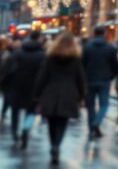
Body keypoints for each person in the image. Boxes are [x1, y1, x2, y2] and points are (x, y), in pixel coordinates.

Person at [34, 32, 87, 166]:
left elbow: (42, 76)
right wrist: (82, 96)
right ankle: (57, 145)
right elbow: (80, 79)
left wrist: (37, 93)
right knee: (63, 122)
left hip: (50, 92)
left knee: (51, 122)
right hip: (69, 94)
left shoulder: (50, 57)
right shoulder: (75, 59)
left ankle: (53, 145)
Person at [4, 29, 46, 149]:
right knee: (31, 111)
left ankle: (14, 131)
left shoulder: (18, 53)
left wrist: (6, 84)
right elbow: (43, 73)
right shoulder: (42, 55)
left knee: (15, 110)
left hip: (17, 86)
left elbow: (9, 70)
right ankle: (25, 130)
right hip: (34, 87)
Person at [82, 26, 118, 139]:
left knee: (90, 106)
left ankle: (91, 129)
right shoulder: (110, 47)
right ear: (104, 33)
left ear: (94, 33)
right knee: (104, 104)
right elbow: (116, 65)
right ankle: (96, 123)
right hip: (104, 80)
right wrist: (111, 76)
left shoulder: (87, 47)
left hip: (89, 80)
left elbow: (82, 64)